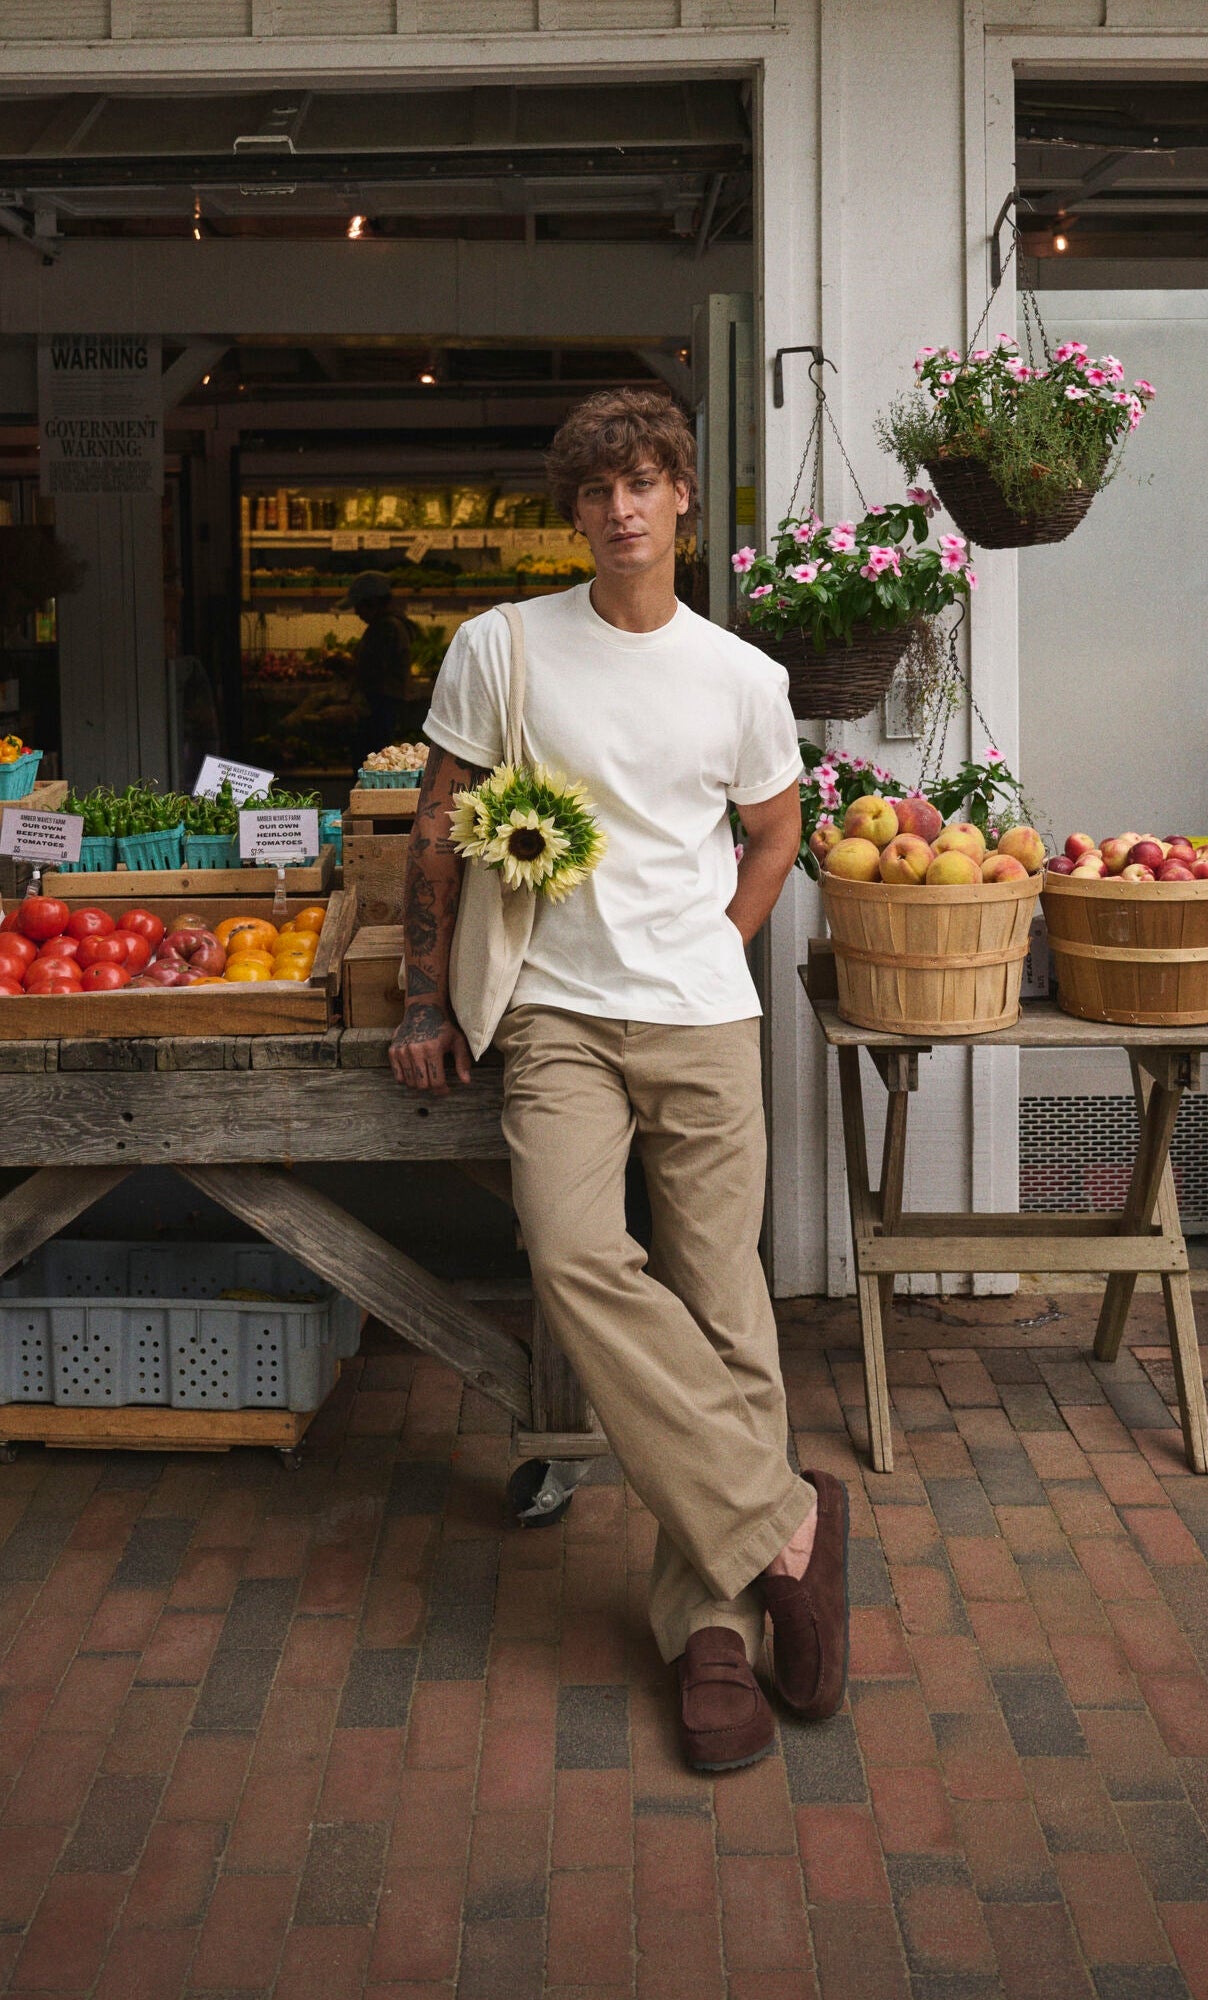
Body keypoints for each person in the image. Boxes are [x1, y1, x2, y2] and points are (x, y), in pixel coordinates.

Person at [388, 388, 847, 1772]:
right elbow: (436, 822)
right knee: (574, 1252)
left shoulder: (740, 677)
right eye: (596, 490)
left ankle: (713, 1632)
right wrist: (424, 991)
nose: (621, 508)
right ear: (574, 511)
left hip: (702, 1020)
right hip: (556, 1014)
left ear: (682, 497)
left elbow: (776, 832)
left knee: (722, 1305)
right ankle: (785, 1525)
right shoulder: (504, 646)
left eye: (643, 481)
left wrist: (715, 942)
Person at [342, 570, 414, 764]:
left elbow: (373, 670)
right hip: (381, 707)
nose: (356, 612)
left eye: (358, 606)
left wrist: (347, 666)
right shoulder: (387, 624)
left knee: (374, 761)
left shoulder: (387, 627)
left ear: (373, 602)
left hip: (381, 708)